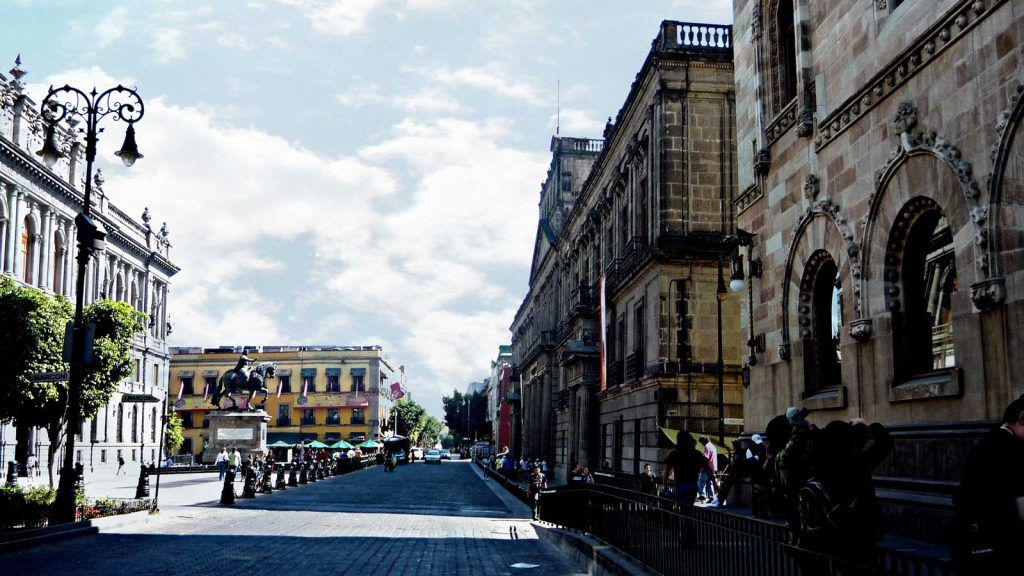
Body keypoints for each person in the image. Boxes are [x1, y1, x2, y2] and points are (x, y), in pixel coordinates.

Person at [952, 394, 1024, 573]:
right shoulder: (1015, 450)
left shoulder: (986, 444)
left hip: (972, 543)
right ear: (1022, 418)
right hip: (1001, 547)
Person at [663, 431, 718, 505]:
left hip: (680, 484)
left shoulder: (674, 454)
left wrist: (665, 485)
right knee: (689, 506)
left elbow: (667, 472)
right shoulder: (697, 453)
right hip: (692, 485)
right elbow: (707, 468)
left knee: (682, 506)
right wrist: (714, 482)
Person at [697, 436, 718, 503]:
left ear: (704, 441)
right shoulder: (713, 446)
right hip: (713, 467)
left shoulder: (707, 447)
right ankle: (711, 497)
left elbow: (706, 458)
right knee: (709, 482)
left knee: (701, 481)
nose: (702, 445)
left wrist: (701, 466)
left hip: (707, 467)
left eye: (701, 443)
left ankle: (702, 495)